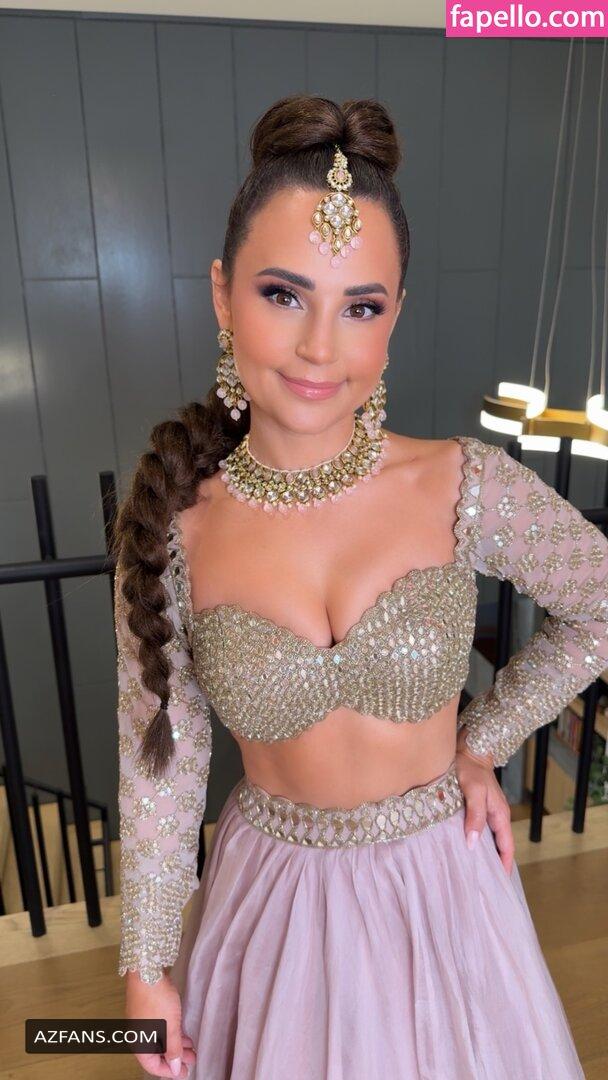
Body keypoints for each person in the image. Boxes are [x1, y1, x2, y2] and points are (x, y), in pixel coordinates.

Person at [112, 95, 608, 1080]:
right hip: (273, 907)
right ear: (222, 295)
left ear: (395, 316)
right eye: (283, 295)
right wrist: (145, 967)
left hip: (445, 895)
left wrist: (483, 740)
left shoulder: (460, 484)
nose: (319, 348)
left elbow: (598, 604)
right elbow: (160, 760)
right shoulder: (176, 524)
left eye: (360, 306)